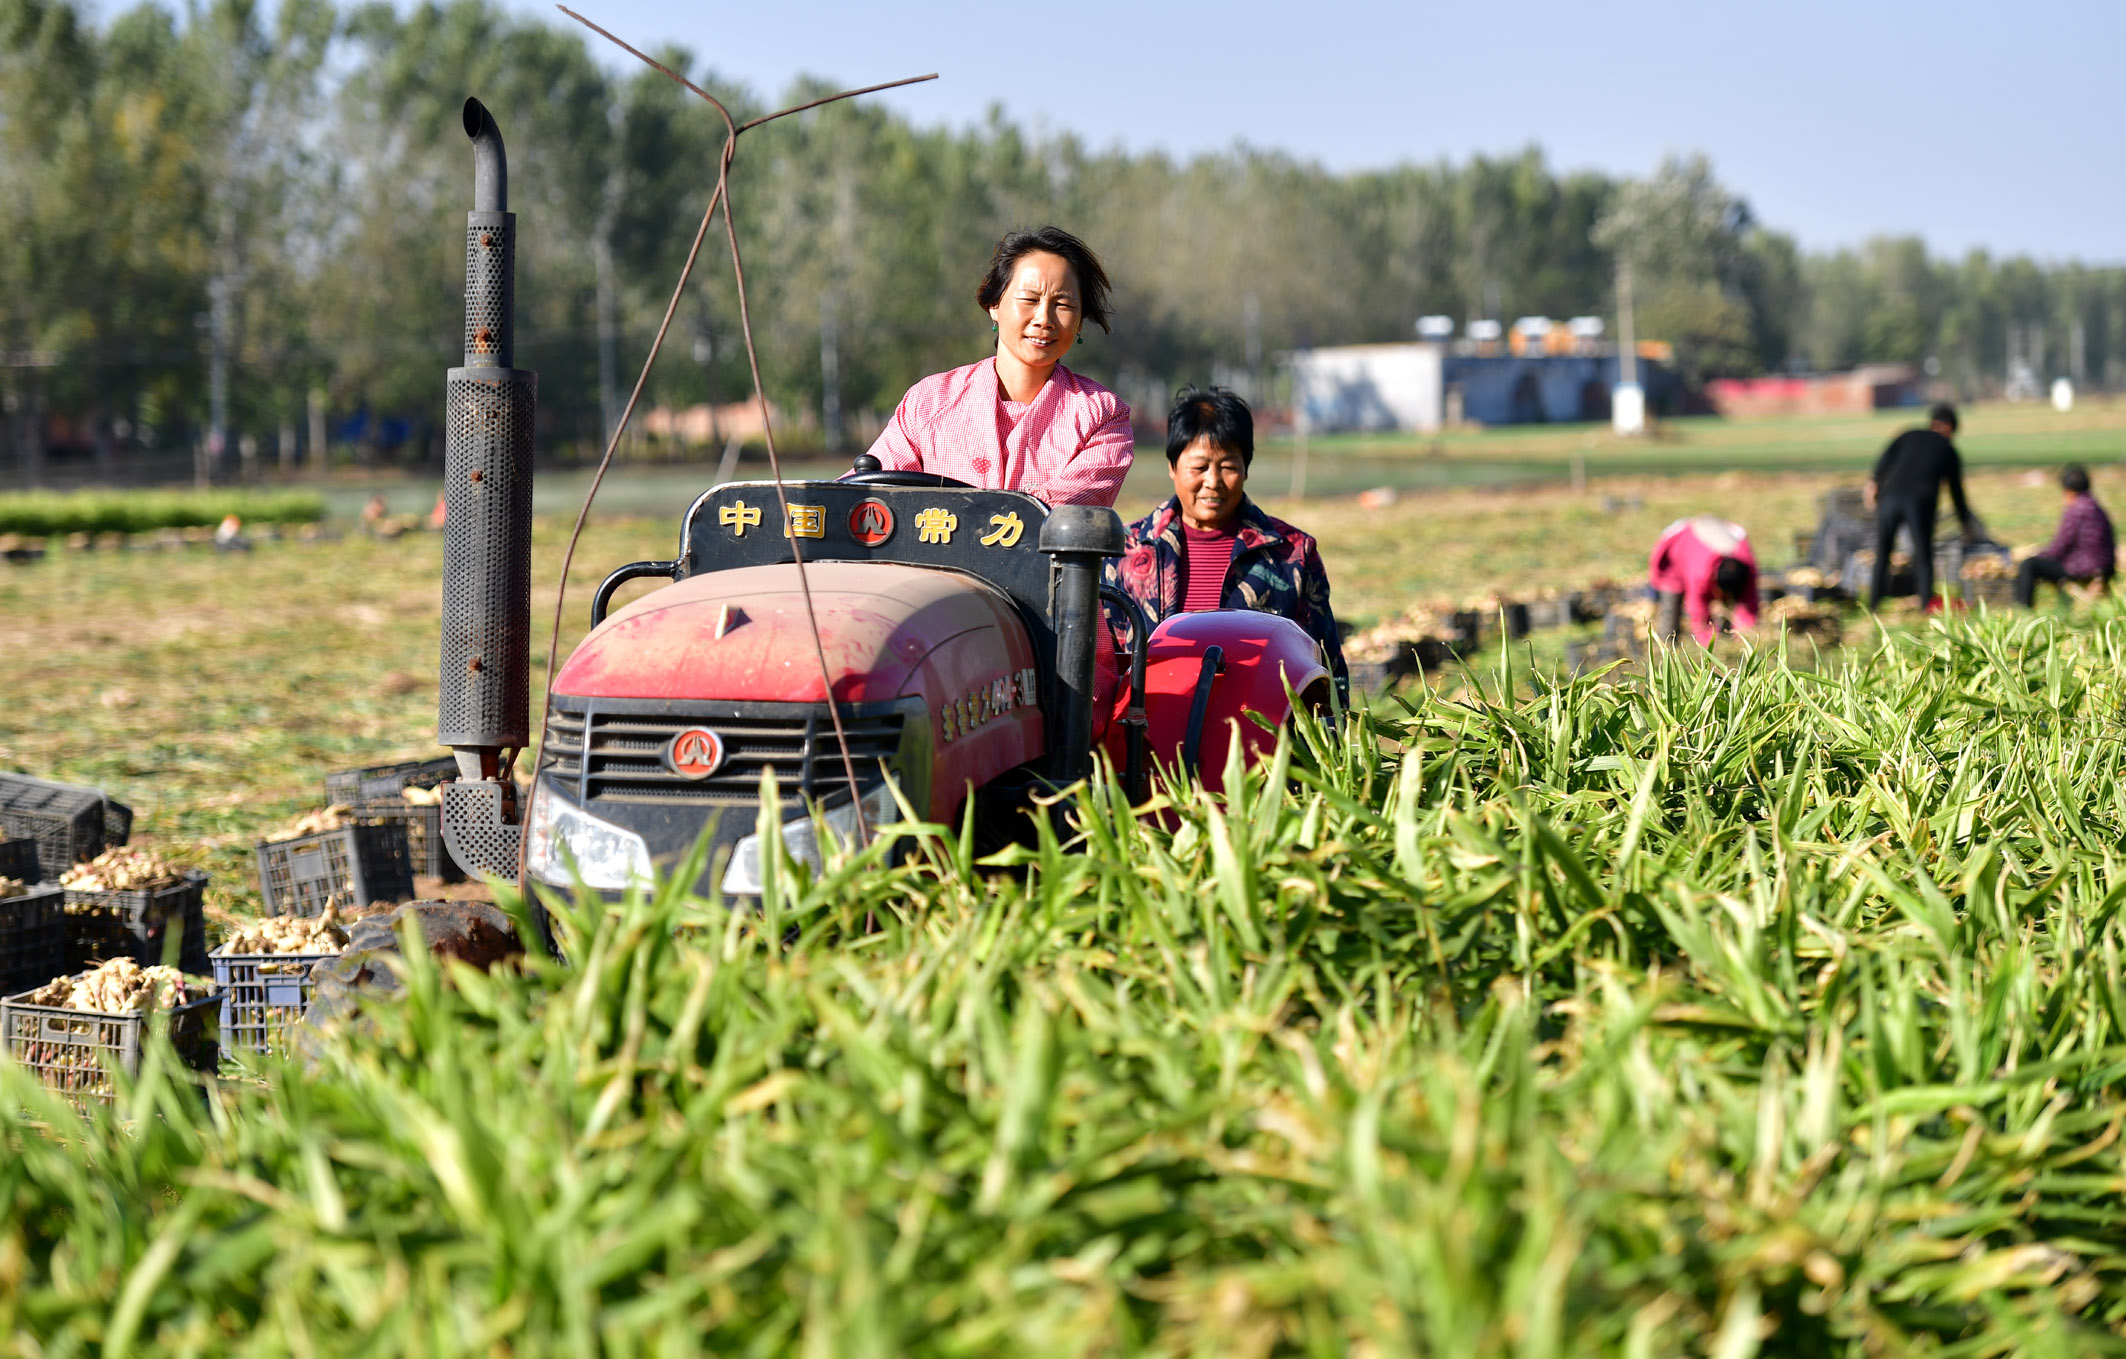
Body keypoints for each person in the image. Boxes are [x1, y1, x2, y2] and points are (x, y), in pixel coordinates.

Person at [862, 226, 1133, 508]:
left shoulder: (1102, 416)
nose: (1044, 319)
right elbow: (864, 495)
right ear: (994, 304)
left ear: (1079, 321)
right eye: (1029, 300)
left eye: (1063, 304)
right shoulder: (929, 402)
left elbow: (1053, 516)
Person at [1106, 386, 1347, 687]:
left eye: (1228, 467)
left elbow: (1324, 668)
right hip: (1145, 728)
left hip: (1260, 729)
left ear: (1246, 469)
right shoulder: (1126, 550)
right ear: (1172, 467)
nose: (1213, 482)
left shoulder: (1293, 554)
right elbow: (1103, 666)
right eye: (1199, 467)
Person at [1867, 403, 1976, 608]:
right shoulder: (1948, 449)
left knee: (1883, 552)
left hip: (1889, 498)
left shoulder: (1907, 435)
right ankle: (1925, 603)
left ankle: (1873, 603)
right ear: (1946, 426)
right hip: (1919, 502)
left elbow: (1883, 462)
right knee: (1923, 553)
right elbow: (1956, 492)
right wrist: (1965, 523)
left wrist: (1872, 485)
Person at [2015, 463, 2115, 606]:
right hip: (2105, 568)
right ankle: (2064, 606)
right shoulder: (2096, 507)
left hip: (2082, 568)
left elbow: (2060, 546)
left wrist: (2039, 555)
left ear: (2068, 490)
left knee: (2029, 565)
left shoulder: (2075, 510)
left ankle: (2023, 609)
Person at [1648, 516, 1758, 645]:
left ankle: (1727, 636)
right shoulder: (1699, 571)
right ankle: (1667, 646)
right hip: (1674, 560)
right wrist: (1709, 645)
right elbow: (1698, 611)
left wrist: (1745, 637)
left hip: (1707, 545)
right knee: (1670, 609)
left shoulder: (1746, 567)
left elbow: (1749, 604)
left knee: (1728, 609)